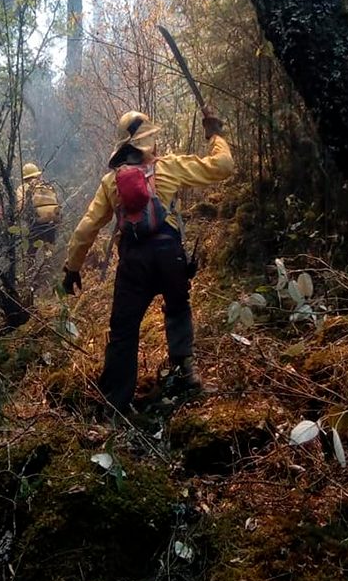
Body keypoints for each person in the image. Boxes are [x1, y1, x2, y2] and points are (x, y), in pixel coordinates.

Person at [62, 107, 234, 417]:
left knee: (123, 330)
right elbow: (223, 166)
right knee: (178, 308)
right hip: (170, 257)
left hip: (134, 263)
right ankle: (186, 376)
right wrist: (215, 136)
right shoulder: (170, 167)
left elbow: (87, 227)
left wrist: (73, 267)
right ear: (148, 142)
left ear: (123, 147)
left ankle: (116, 403)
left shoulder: (111, 182)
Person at [17, 162, 61, 256]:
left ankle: (31, 265)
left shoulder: (22, 188)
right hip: (51, 221)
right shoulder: (46, 185)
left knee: (30, 253)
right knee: (49, 249)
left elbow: (20, 207)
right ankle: (49, 261)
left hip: (35, 223)